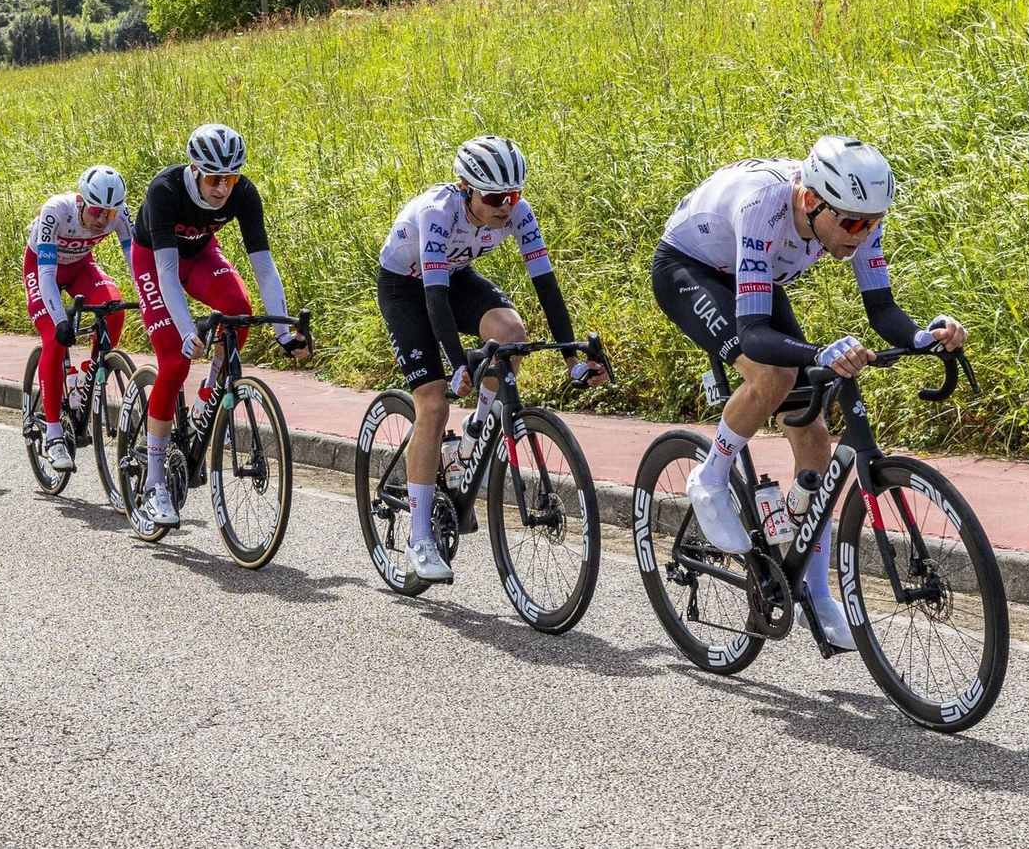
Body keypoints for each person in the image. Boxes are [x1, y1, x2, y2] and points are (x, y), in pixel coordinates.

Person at [652, 136, 965, 650]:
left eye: (872, 223)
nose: (861, 236)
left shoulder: (856, 214)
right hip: (690, 268)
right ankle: (711, 476)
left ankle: (816, 591)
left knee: (815, 437)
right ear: (810, 200)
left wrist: (924, 338)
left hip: (752, 274)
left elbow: (882, 310)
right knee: (772, 375)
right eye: (850, 224)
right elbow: (754, 334)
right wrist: (820, 351)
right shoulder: (764, 205)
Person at [376, 136, 603, 582]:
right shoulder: (437, 213)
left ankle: (470, 437)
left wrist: (572, 358)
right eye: (495, 197)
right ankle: (419, 538)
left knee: (511, 335)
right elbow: (434, 300)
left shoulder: (518, 212)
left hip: (455, 278)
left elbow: (547, 286)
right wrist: (457, 363)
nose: (506, 206)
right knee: (434, 403)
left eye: (513, 195)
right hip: (407, 288)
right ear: (466, 189)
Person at [131, 124, 311, 530]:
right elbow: (165, 272)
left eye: (231, 178)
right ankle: (154, 484)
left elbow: (263, 265)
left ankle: (205, 402)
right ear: (195, 170)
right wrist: (185, 331)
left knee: (238, 313)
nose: (223, 188)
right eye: (214, 178)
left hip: (201, 255)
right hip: (155, 261)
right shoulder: (165, 190)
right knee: (175, 362)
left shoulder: (244, 194)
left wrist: (284, 334)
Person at [23, 164, 140, 473]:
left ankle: (87, 375)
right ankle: (53, 434)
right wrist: (61, 321)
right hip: (42, 268)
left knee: (112, 307)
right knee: (54, 338)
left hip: (79, 267)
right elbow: (46, 274)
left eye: (110, 215)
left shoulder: (120, 214)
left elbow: (136, 263)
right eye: (98, 212)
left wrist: (149, 299)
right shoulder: (56, 212)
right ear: (83, 202)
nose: (102, 221)